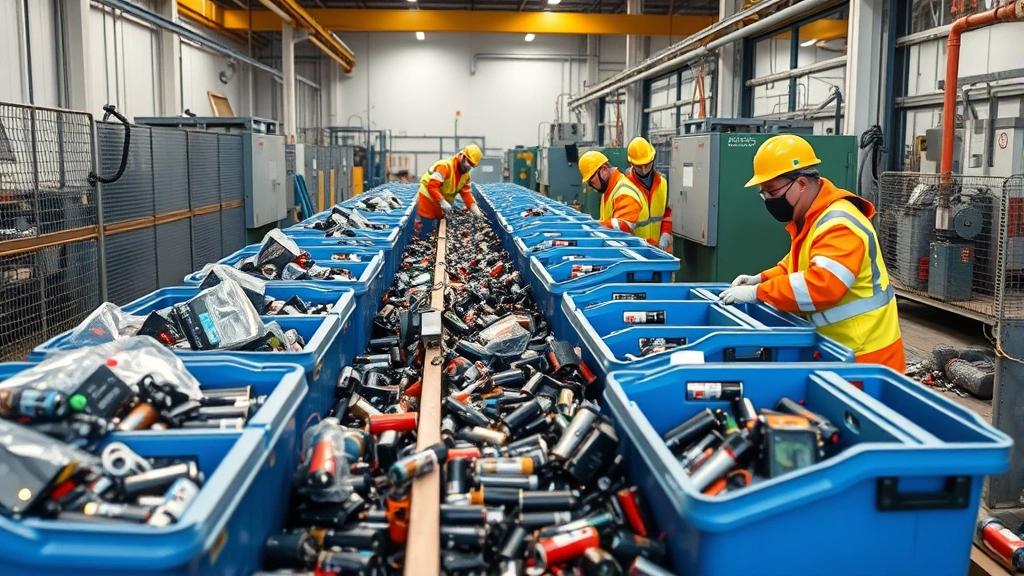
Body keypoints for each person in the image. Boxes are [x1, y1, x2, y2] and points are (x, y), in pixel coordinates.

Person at [717, 135, 905, 372]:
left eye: (772, 191)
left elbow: (822, 285)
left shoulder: (839, 225)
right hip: (838, 351)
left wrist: (759, 293)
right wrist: (761, 278)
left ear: (802, 184)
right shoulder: (813, 218)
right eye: (764, 193)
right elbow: (797, 265)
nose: (769, 200)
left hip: (866, 358)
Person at [578, 150, 650, 238]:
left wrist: (594, 226)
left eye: (591, 178)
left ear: (604, 170)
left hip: (637, 246)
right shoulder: (609, 191)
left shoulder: (624, 194)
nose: (590, 184)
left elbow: (622, 227)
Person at [415, 144, 485, 234]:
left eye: (471, 166)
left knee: (436, 231)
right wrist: (442, 202)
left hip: (441, 206)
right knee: (426, 231)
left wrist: (475, 209)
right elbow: (432, 186)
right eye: (468, 163)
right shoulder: (445, 166)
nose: (468, 167)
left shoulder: (466, 176)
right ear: (462, 156)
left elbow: (466, 193)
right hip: (427, 202)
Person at [625, 137, 673, 253]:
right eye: (639, 165)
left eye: (647, 164)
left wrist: (666, 233)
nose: (644, 168)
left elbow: (667, 212)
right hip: (634, 252)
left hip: (658, 250)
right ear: (632, 163)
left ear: (652, 159)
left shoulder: (662, 183)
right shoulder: (625, 187)